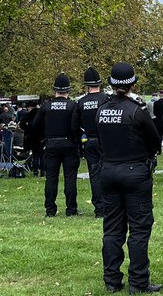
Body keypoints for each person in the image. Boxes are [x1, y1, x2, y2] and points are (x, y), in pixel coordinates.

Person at [96, 62, 163, 294]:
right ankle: (138, 281)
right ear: (133, 83)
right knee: (139, 227)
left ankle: (111, 280)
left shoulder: (101, 110)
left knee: (112, 228)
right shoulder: (137, 110)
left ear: (111, 83)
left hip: (108, 170)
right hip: (135, 171)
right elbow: (155, 141)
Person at [31, 74, 80, 216]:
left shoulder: (46, 106)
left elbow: (35, 125)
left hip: (51, 143)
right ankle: (71, 209)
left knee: (51, 178)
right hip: (69, 143)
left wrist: (43, 137)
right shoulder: (73, 106)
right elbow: (76, 126)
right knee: (70, 177)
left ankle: (50, 210)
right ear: (68, 90)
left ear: (54, 91)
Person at [73, 67, 108, 217]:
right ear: (99, 84)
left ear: (86, 85)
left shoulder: (80, 102)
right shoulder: (106, 99)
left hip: (90, 141)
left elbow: (75, 125)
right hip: (106, 141)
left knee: (94, 174)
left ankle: (99, 208)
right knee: (108, 173)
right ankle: (109, 206)